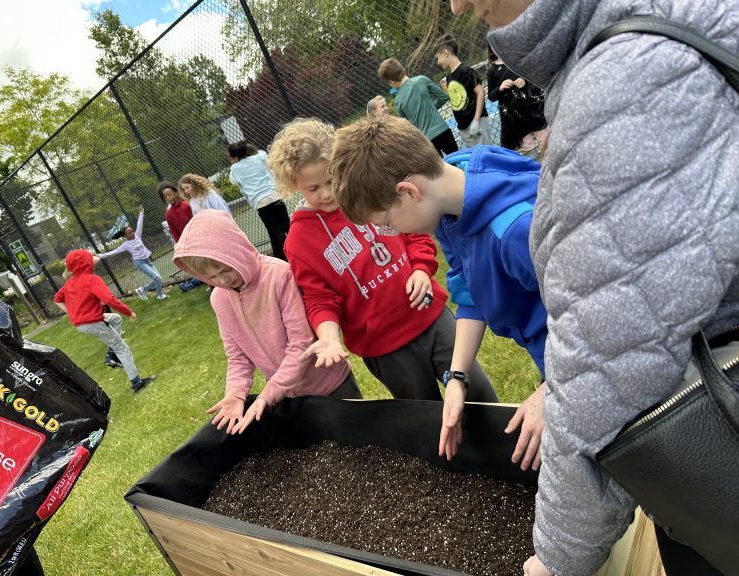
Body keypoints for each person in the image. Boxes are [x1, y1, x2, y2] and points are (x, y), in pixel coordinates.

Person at [443, 0, 739, 575]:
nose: (456, 4)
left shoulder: (619, 84)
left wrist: (555, 559)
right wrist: (459, 375)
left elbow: (607, 368)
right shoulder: (657, 22)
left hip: (714, 431)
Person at [330, 114, 548, 471]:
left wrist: (551, 390)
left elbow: (596, 321)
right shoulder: (450, 206)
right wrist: (457, 378)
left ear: (408, 191)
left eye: (386, 224)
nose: (390, 233)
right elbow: (470, 292)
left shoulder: (516, 232)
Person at [267, 118, 497, 403]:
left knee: (479, 394)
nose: (327, 193)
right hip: (385, 346)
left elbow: (415, 228)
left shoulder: (368, 192)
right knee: (426, 415)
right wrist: (327, 337)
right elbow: (319, 298)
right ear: (294, 185)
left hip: (429, 315)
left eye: (331, 180)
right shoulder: (299, 241)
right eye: (313, 188)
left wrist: (422, 270)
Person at [173, 209, 361, 434]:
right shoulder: (219, 298)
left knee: (359, 437)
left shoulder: (279, 276)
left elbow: (301, 343)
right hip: (289, 398)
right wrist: (235, 393)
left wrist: (271, 391)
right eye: (212, 277)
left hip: (330, 384)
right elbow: (237, 356)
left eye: (226, 269)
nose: (222, 280)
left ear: (238, 251)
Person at [54, 249, 155, 393]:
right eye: (90, 256)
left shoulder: (70, 282)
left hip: (81, 324)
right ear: (85, 262)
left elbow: (57, 299)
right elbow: (109, 299)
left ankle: (112, 355)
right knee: (122, 348)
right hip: (93, 322)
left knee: (115, 319)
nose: (93, 257)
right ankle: (137, 383)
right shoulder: (92, 279)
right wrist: (128, 312)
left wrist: (72, 313)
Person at [377, 58, 459, 156]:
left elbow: (406, 125)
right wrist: (431, 107)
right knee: (459, 160)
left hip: (426, 141)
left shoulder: (397, 101)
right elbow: (443, 97)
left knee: (440, 170)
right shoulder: (422, 79)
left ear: (391, 81)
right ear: (402, 69)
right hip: (443, 130)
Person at [227, 140, 291, 261]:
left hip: (260, 203)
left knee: (276, 230)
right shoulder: (259, 157)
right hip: (274, 196)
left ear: (235, 157)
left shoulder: (235, 169)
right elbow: (262, 154)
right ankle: (283, 255)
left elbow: (233, 181)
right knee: (285, 225)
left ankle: (288, 254)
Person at [94, 207, 168, 301]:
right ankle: (160, 295)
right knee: (157, 277)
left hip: (147, 260)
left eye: (132, 231)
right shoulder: (125, 245)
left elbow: (139, 224)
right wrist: (99, 255)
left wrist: (141, 212)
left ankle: (143, 290)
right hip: (140, 263)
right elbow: (113, 252)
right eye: (129, 233)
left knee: (158, 279)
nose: (132, 233)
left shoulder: (137, 236)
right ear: (125, 236)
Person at [433, 33, 493, 148]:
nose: (438, 62)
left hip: (477, 122)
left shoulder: (466, 71)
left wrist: (476, 120)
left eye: (438, 58)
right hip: (464, 127)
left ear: (445, 53)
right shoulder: (450, 77)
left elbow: (480, 92)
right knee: (476, 158)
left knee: (488, 154)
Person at [486, 45, 547, 157]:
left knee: (543, 136)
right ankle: (534, 169)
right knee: (527, 144)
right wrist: (500, 88)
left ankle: (551, 163)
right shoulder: (492, 70)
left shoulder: (517, 60)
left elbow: (534, 77)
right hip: (514, 116)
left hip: (532, 108)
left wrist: (525, 81)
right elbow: (491, 96)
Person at [157, 181, 203, 292]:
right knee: (198, 263)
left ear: (176, 193)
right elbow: (175, 232)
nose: (168, 197)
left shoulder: (187, 205)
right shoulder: (168, 214)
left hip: (199, 237)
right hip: (188, 243)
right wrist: (181, 244)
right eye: (165, 197)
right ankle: (208, 282)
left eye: (169, 194)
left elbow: (197, 220)